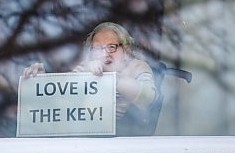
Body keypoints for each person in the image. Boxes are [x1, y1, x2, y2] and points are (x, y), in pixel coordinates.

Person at [22, 22, 158, 136]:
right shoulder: (87, 67)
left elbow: (148, 97)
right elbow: (63, 93)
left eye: (111, 47)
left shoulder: (137, 67)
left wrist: (111, 79)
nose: (105, 54)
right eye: (97, 49)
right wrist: (42, 80)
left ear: (126, 49)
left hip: (122, 143)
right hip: (82, 140)